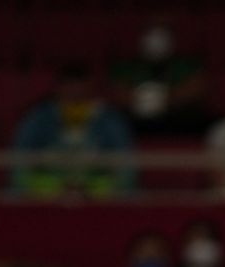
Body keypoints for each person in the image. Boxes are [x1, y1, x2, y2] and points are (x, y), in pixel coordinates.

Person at [11, 64, 136, 198]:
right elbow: (18, 162)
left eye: (81, 92)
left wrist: (93, 189)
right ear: (58, 89)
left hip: (97, 193)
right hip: (47, 192)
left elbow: (126, 166)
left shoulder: (109, 119)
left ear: (90, 90)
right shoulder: (38, 118)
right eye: (70, 90)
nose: (75, 96)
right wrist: (52, 189)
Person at [109, 17, 209, 138]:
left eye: (162, 34)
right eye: (152, 34)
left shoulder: (187, 65)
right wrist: (144, 102)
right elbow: (119, 94)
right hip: (135, 123)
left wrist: (161, 100)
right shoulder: (126, 66)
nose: (156, 40)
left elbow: (195, 88)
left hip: (176, 123)